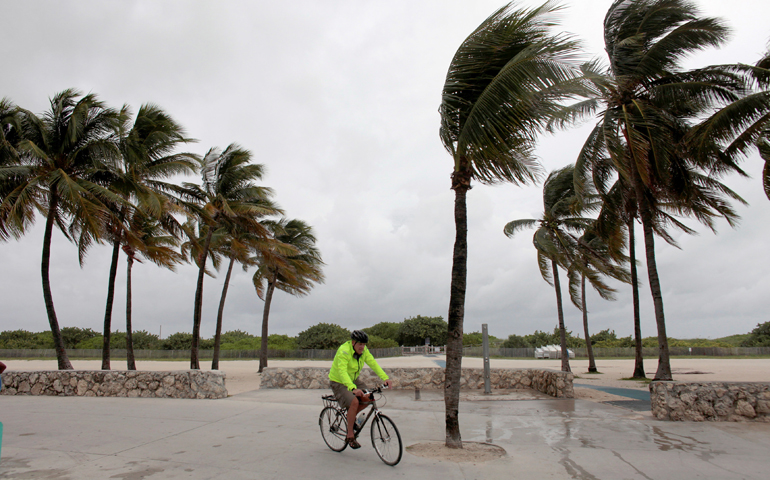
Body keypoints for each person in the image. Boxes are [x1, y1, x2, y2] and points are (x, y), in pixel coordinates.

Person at [328, 330, 393, 449]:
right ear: (353, 343)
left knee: (369, 397)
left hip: (353, 379)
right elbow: (342, 371)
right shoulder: (344, 351)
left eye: (364, 344)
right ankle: (350, 435)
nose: (362, 347)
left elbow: (373, 363)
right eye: (360, 344)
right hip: (338, 381)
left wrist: (385, 378)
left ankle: (350, 419)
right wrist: (352, 388)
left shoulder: (364, 351)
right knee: (355, 401)